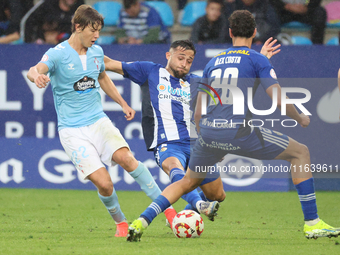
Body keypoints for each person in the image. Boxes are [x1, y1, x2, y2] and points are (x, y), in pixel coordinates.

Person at [126, 10, 340, 241]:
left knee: (188, 182)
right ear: (255, 32)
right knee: (300, 153)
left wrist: (209, 142)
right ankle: (312, 223)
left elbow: (199, 111)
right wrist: (299, 117)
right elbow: (276, 98)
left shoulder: (213, 63)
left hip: (208, 133)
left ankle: (141, 221)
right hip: (239, 132)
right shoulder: (256, 59)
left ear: (229, 32)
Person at [26, 4, 176, 238]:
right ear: (78, 27)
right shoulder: (58, 53)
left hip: (98, 121)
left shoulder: (96, 52)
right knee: (105, 184)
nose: (96, 35)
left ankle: (169, 212)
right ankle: (121, 223)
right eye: (92, 30)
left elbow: (103, 76)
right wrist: (38, 77)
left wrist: (122, 103)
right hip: (72, 131)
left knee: (127, 159)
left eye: (99, 30)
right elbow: (34, 69)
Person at [104, 40, 222, 226]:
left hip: (197, 145)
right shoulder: (150, 71)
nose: (184, 63)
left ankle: (187, 212)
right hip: (168, 143)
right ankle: (199, 204)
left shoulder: (196, 82)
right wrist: (81, 50)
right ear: (169, 55)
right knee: (176, 169)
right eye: (180, 58)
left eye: (189, 61)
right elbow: (109, 63)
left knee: (217, 195)